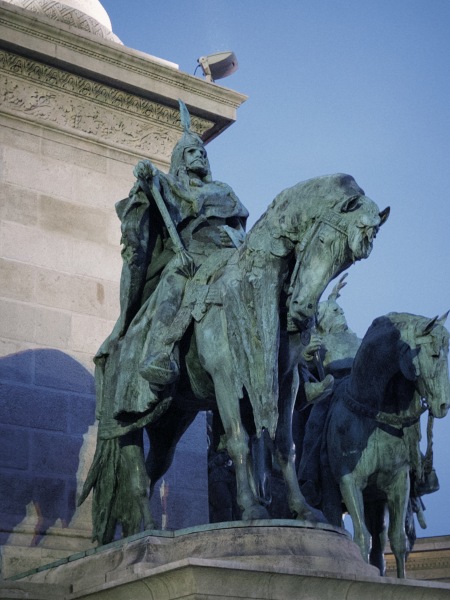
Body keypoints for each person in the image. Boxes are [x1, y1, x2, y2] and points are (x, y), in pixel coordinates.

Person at [95, 100, 249, 430]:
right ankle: (161, 353)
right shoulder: (169, 185)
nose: (199, 157)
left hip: (229, 256)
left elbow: (239, 228)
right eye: (191, 152)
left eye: (202, 152)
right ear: (180, 158)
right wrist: (144, 177)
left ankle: (298, 367)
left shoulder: (224, 191)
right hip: (190, 258)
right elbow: (147, 196)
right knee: (174, 284)